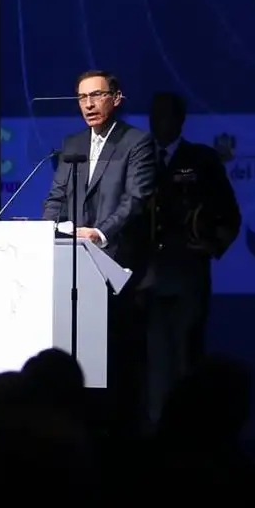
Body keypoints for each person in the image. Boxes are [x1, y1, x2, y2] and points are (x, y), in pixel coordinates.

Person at [42, 71, 157, 430]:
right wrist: (44, 232)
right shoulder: (73, 144)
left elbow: (136, 198)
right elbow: (57, 197)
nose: (88, 104)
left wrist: (100, 233)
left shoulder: (137, 142)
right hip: (75, 271)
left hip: (119, 270)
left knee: (119, 365)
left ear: (116, 98)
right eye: (82, 97)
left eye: (96, 95)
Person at [138, 92, 240, 424]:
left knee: (186, 359)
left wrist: (210, 245)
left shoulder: (201, 159)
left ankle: (189, 432)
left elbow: (228, 214)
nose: (158, 122)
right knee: (152, 365)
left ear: (181, 120)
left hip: (187, 277)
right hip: (145, 281)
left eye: (165, 114)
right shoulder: (137, 159)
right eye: (153, 115)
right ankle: (155, 435)